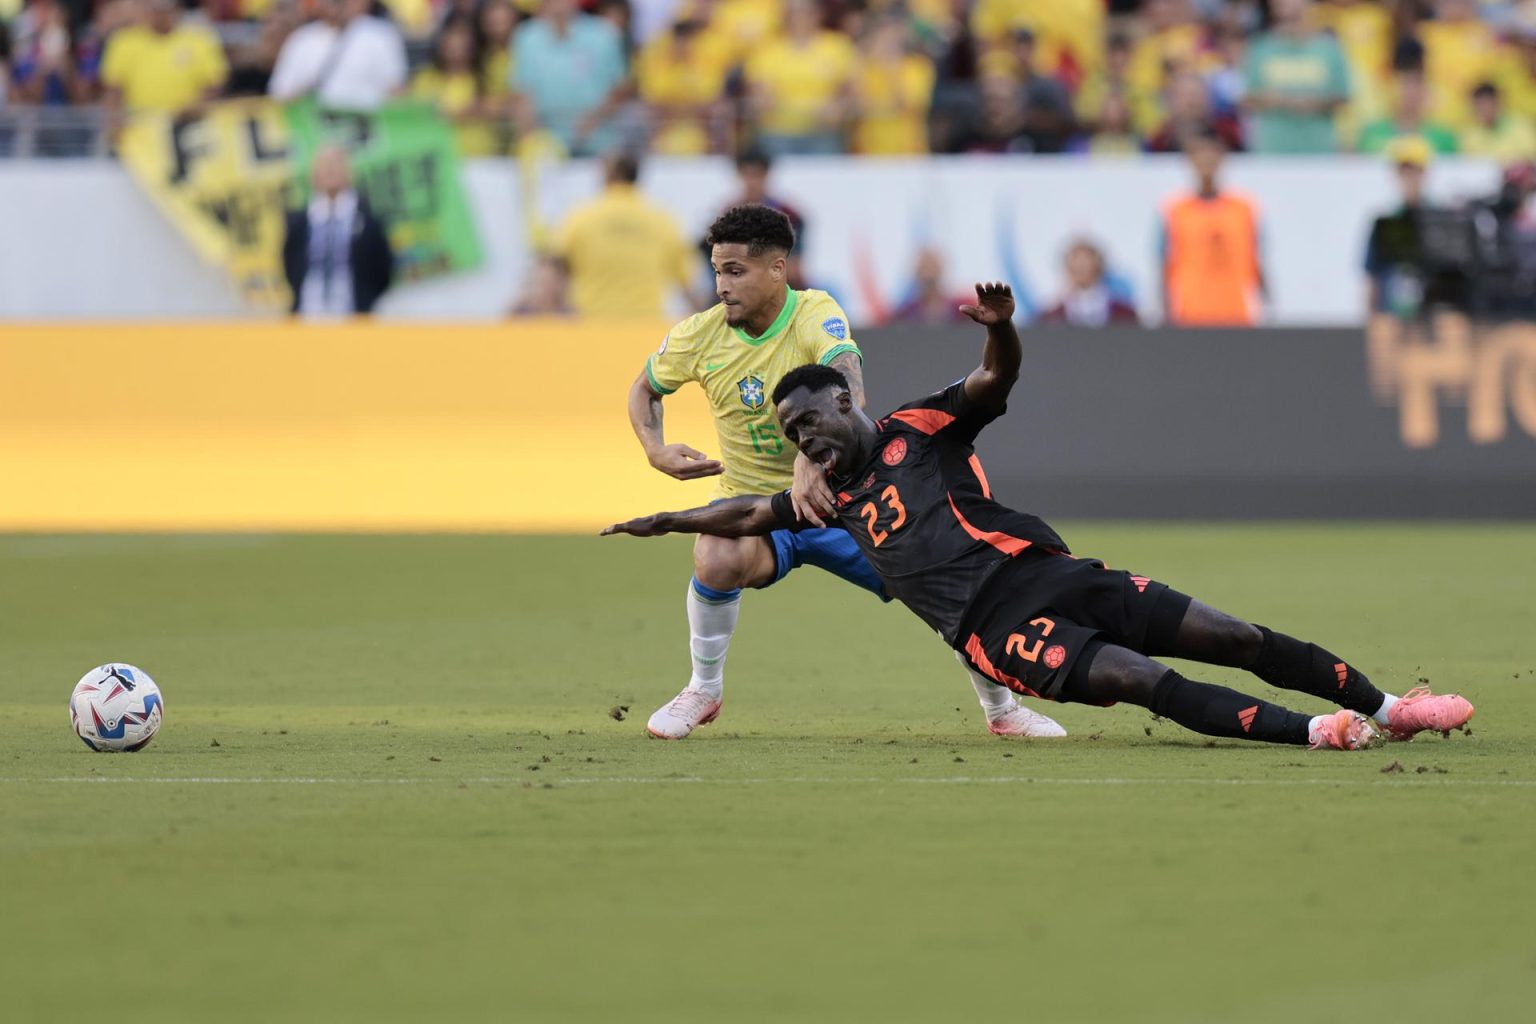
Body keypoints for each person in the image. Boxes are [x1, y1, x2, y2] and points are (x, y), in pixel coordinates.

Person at [604, 283, 1476, 752]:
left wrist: (1001, 331)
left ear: (846, 403)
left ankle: (1392, 705)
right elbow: (749, 511)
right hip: (994, 630)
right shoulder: (825, 500)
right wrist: (665, 522)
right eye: (793, 434)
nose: (805, 439)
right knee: (1139, 682)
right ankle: (1316, 733)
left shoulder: (919, 428)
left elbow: (995, 384)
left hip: (1054, 575)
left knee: (1235, 635)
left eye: (811, 422)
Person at [626, 206, 1065, 741]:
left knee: (946, 579)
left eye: (736, 271)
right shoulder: (699, 336)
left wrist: (809, 462)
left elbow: (846, 384)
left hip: (849, 501)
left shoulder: (814, 312)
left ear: (778, 269)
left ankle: (1002, 708)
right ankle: (703, 689)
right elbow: (645, 388)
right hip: (759, 509)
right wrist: (654, 447)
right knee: (715, 548)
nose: (721, 285)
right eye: (717, 271)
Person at [551, 153, 701, 319]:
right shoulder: (662, 220)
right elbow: (686, 281)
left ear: (610, 174)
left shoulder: (581, 217)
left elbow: (554, 271)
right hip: (645, 327)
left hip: (592, 325)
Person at [1159, 128, 1265, 326]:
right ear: (1189, 160)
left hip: (1237, 314)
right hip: (1190, 315)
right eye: (1198, 153)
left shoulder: (1245, 208)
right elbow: (1163, 263)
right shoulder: (1174, 210)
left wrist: (1266, 304)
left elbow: (1258, 258)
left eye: (1211, 153)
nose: (1206, 160)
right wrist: (1165, 313)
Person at [282, 146, 395, 318]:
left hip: (353, 312)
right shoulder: (299, 221)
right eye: (324, 165)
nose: (330, 171)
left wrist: (364, 297)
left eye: (335, 164)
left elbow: (382, 269)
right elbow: (290, 264)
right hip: (308, 312)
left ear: (349, 172)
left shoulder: (368, 220)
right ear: (313, 174)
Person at [510, 0, 629, 157]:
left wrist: (594, 119)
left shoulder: (604, 34)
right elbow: (522, 93)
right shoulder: (527, 37)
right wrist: (532, 138)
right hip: (548, 143)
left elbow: (620, 88)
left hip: (599, 141)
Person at [1242, 0, 1350, 155]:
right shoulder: (1259, 48)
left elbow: (1343, 95)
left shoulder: (1329, 49)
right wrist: (1281, 101)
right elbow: (1247, 97)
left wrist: (1312, 103)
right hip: (1272, 150)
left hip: (1319, 149)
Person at [100, 0, 228, 121]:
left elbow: (215, 84)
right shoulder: (124, 41)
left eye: (164, 9)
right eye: (154, 8)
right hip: (139, 123)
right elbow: (113, 88)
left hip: (188, 121)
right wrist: (115, 118)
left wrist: (193, 108)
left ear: (176, 9)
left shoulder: (199, 38)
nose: (160, 15)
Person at [268, 0, 408, 110]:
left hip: (367, 133)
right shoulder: (301, 40)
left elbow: (396, 93)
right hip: (317, 136)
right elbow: (279, 96)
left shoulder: (380, 35)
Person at [1038, 239, 1139, 326]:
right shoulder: (1052, 317)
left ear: (1098, 266)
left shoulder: (1124, 314)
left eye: (1086, 262)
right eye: (1076, 263)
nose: (1081, 267)